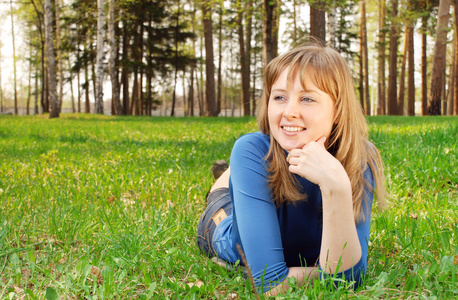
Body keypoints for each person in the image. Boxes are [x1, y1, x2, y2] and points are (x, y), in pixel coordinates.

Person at [196, 42, 386, 296]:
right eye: (279, 97)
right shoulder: (251, 149)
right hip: (223, 225)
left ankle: (231, 174)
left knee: (246, 170)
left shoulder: (360, 157)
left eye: (307, 98)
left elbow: (348, 281)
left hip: (258, 177)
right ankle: (227, 176)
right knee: (220, 196)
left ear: (338, 109)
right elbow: (270, 284)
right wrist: (323, 273)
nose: (289, 112)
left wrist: (336, 186)